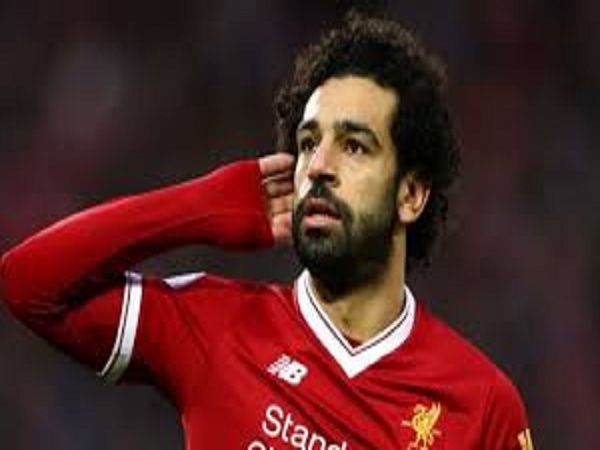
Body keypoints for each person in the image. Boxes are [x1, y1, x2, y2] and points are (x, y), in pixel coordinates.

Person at [0, 12, 533, 450]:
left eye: (354, 146)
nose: (318, 166)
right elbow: (29, 283)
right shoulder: (218, 326)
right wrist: (199, 206)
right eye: (308, 142)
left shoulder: (480, 403)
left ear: (411, 195)